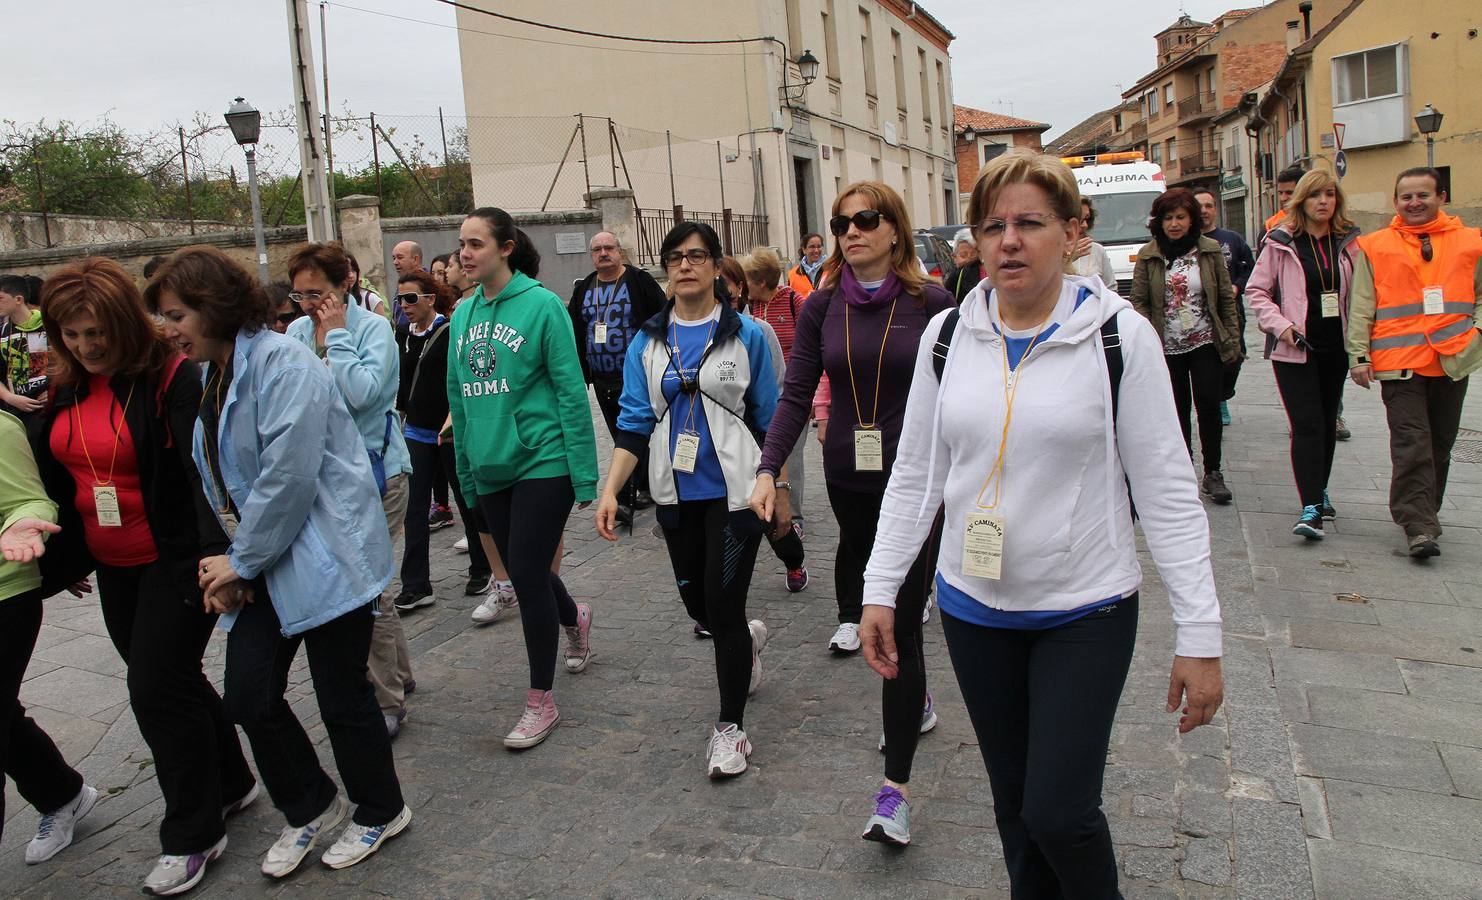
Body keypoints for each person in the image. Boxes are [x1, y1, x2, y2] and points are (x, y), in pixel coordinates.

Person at [861, 148, 1224, 888]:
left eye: (1029, 222)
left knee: (1060, 811)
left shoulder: (1120, 339)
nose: (1009, 240)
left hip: (1083, 610)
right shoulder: (948, 338)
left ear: (1071, 231)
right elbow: (916, 475)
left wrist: (1202, 636)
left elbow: (1166, 491)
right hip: (973, 608)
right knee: (1015, 811)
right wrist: (880, 585)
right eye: (992, 226)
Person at [146, 245, 412, 877]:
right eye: (164, 316)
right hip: (264, 558)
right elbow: (218, 475)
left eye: (176, 313)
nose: (168, 329)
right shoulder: (217, 371)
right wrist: (231, 560)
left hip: (325, 559)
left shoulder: (285, 362)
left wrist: (238, 561)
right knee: (249, 695)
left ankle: (380, 808)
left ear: (212, 307)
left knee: (342, 695)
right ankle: (310, 804)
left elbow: (286, 478)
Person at [37, 257, 257, 895]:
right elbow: (62, 476)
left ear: (124, 323)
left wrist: (220, 564)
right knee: (174, 682)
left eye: (95, 333)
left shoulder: (171, 378)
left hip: (173, 558)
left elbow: (201, 477)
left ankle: (193, 831)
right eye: (72, 335)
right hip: (111, 564)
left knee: (155, 691)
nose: (86, 346)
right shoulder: (68, 384)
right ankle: (235, 785)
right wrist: (64, 557)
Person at [749, 181, 950, 845]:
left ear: (896, 229)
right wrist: (768, 468)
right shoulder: (823, 306)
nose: (852, 231)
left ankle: (894, 792)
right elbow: (794, 392)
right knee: (869, 585)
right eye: (841, 223)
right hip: (848, 472)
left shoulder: (935, 305)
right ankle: (913, 696)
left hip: (916, 486)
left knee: (900, 618)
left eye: (866, 219)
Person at [596, 221, 776, 778]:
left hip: (737, 494)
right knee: (699, 608)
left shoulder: (747, 335)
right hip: (675, 495)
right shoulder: (648, 344)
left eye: (697, 255)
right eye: (675, 257)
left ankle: (730, 730)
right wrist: (610, 490)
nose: (685, 265)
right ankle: (746, 638)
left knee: (721, 609)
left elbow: (773, 420)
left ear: (717, 267)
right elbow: (633, 422)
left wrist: (780, 486)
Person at [448, 207, 599, 750]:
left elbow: (569, 390)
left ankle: (541, 700)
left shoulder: (542, 307)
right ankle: (574, 616)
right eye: (461, 244)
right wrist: (466, 475)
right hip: (490, 464)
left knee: (528, 574)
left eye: (475, 244)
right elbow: (459, 401)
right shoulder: (462, 315)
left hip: (543, 460)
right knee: (523, 566)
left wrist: (585, 476)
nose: (464, 253)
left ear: (506, 247)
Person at [284, 242, 416, 738]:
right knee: (371, 584)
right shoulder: (297, 331)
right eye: (298, 296)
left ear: (345, 286)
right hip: (326, 479)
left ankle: (388, 701)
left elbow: (362, 396)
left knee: (366, 592)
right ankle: (400, 674)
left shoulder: (374, 328)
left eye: (316, 293)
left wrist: (337, 337)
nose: (308, 305)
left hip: (378, 474)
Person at [1348, 167, 1482, 559]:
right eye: (1406, 197)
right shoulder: (1375, 246)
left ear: (1442, 197)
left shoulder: (1471, 242)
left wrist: (1477, 339)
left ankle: (1425, 512)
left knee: (1440, 445)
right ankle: (1418, 526)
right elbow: (1362, 306)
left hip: (1453, 359)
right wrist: (1359, 355)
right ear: (1395, 203)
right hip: (1399, 364)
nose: (1414, 203)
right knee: (1412, 444)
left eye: (1423, 195)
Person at [0, 410, 100, 866]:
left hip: (7, 593)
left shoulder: (2, 426)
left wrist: (25, 523)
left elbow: (31, 501)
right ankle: (63, 793)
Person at [1245, 171, 1360, 540]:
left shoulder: (1351, 242)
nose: (1323, 202)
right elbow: (1257, 292)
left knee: (1327, 422)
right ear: (1302, 202)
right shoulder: (1281, 242)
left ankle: (1320, 488)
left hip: (1335, 346)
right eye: (1315, 196)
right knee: (1307, 424)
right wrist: (1282, 327)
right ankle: (1310, 507)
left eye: (1329, 194)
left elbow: (1364, 293)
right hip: (1295, 347)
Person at [1131, 188, 1242, 505]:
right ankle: (1180, 472)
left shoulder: (1208, 251)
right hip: (1166, 346)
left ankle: (1213, 473)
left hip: (1204, 341)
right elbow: (1138, 301)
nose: (1175, 224)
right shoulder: (1149, 254)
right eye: (1168, 218)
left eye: (1180, 217)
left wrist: (1232, 340)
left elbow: (1223, 299)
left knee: (1208, 406)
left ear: (1191, 219)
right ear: (1159, 222)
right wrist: (1146, 337)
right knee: (1175, 410)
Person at [719, 255, 809, 595]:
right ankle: (721, 595)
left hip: (758, 440)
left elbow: (778, 385)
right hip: (721, 444)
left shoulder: (758, 330)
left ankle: (793, 559)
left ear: (740, 289)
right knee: (726, 520)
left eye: (726, 285)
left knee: (771, 517)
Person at [567, 231, 665, 523]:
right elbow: (574, 329)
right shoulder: (585, 288)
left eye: (608, 247)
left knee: (630, 431)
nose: (603, 253)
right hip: (601, 376)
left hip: (635, 375)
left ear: (619, 251)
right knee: (617, 432)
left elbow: (661, 316)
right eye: (597, 249)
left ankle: (625, 496)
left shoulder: (638, 281)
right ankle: (642, 485)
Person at [391, 270, 455, 611]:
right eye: (400, 299)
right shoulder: (402, 333)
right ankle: (416, 584)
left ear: (430, 298)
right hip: (415, 430)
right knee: (413, 509)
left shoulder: (448, 331)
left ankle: (483, 566)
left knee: (468, 500)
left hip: (448, 430)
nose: (405, 305)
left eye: (411, 298)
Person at [741, 246, 812, 527]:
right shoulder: (751, 310)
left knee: (791, 458)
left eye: (748, 279)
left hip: (793, 395)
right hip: (762, 397)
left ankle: (794, 515)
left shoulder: (795, 302)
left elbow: (812, 353)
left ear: (760, 280)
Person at [1194, 188, 1256, 428]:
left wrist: (1237, 287)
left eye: (1209, 206)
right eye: (1199, 206)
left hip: (1231, 310)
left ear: (1215, 210)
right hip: (1202, 313)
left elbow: (1249, 269)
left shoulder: (1232, 239)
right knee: (1209, 359)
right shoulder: (1189, 243)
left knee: (1234, 357)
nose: (1204, 211)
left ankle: (1223, 394)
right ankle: (1215, 400)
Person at [0, 273, 49, 434]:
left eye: (1, 298)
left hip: (48, 407)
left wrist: (57, 390)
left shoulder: (48, 325)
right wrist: (9, 397)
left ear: (18, 299)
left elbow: (68, 361)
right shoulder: (2, 333)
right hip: (15, 409)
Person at [1069, 197, 1118, 291]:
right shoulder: (1053, 249)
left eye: (1087, 219)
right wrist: (1068, 258)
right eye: (1080, 219)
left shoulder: (1097, 250)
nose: (1085, 225)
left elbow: (1111, 287)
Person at [1261, 166, 1305, 242]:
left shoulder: (1317, 221)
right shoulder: (1270, 225)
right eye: (1280, 193)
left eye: (1289, 193)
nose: (1283, 198)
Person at [946, 227, 985, 303]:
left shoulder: (986, 273)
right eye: (963, 255)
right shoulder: (954, 279)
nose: (968, 259)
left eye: (973, 254)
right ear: (954, 257)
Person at [344, 252, 388, 318]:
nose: (351, 275)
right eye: (346, 271)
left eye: (353, 270)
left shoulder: (371, 299)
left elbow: (383, 326)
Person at [788, 232, 827, 296]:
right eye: (812, 247)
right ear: (804, 249)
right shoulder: (793, 274)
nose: (816, 250)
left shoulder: (832, 270)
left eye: (819, 246)